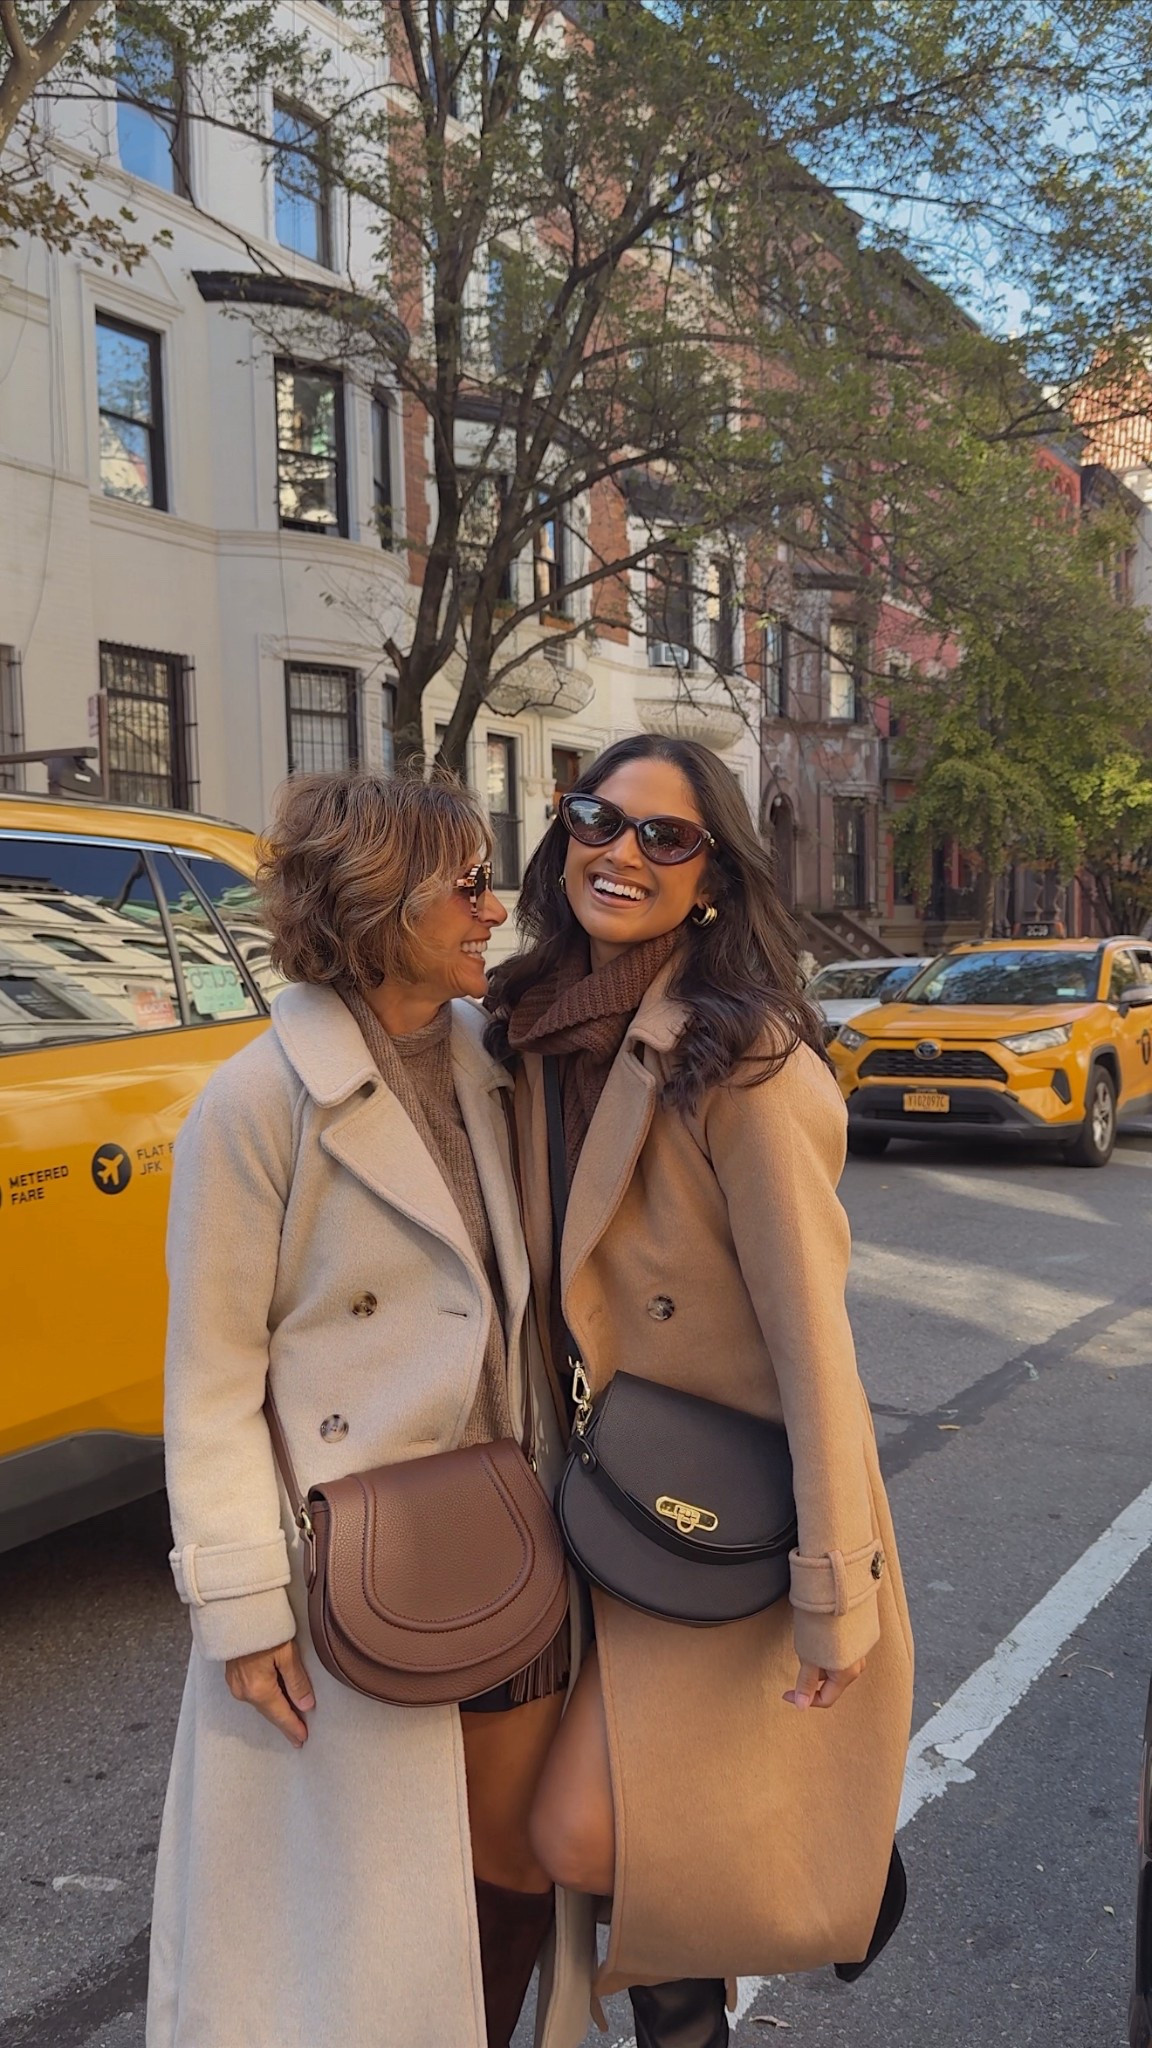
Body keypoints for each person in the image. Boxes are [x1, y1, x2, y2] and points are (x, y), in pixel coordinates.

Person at [147, 772, 592, 2048]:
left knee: (514, 1871)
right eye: (464, 881)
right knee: (359, 1919)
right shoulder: (257, 1098)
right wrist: (239, 1606)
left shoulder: (487, 1060)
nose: (493, 907)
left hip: (510, 1538)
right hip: (351, 1564)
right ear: (374, 898)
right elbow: (214, 1375)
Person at [487, 734, 915, 2048]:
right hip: (581, 1486)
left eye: (665, 839)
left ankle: (845, 1862)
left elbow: (813, 1343)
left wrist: (833, 1590)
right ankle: (694, 2013)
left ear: (713, 878)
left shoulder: (745, 1061)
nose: (622, 852)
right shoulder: (522, 1026)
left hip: (715, 1510)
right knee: (617, 1838)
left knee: (576, 1831)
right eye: (597, 820)